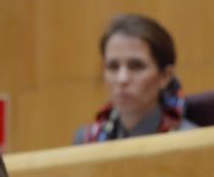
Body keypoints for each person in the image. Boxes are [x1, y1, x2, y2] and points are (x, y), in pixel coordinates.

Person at [73, 13, 198, 144]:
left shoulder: (189, 142)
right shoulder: (86, 140)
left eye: (136, 66)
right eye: (113, 66)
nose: (122, 79)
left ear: (165, 76)